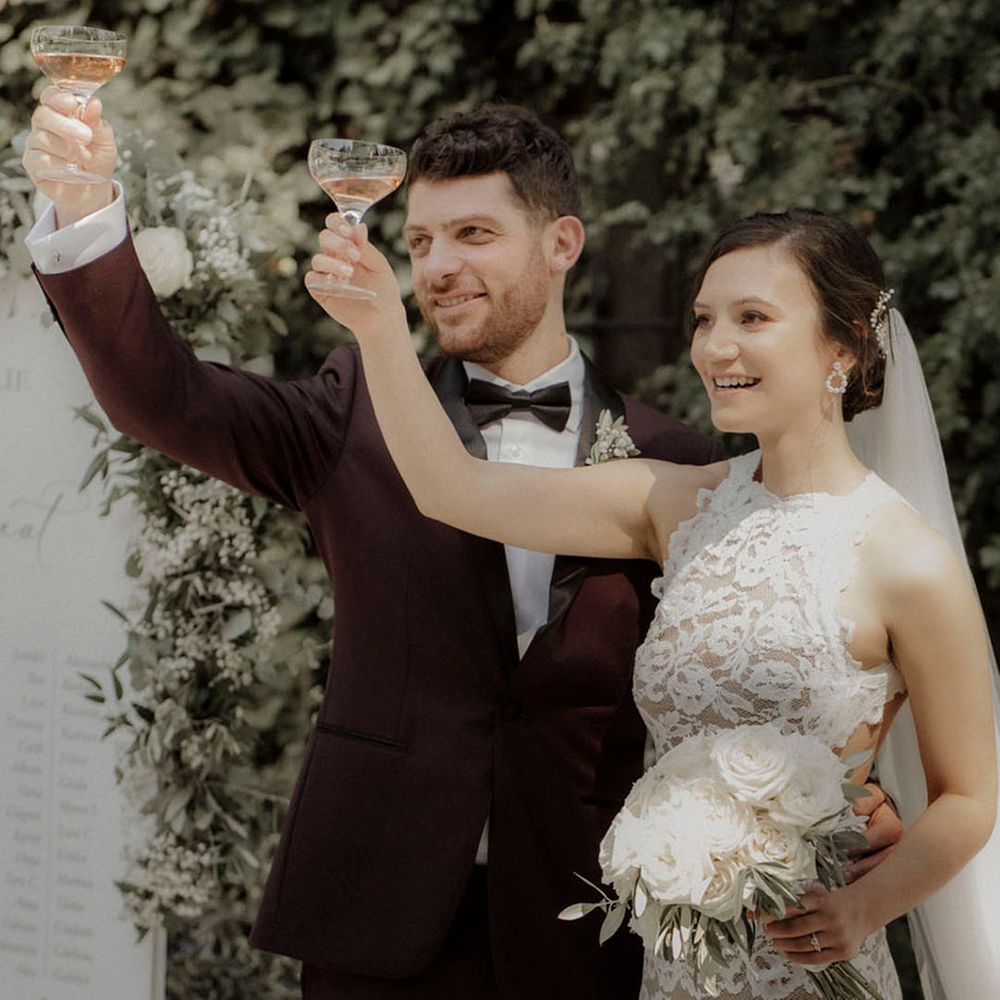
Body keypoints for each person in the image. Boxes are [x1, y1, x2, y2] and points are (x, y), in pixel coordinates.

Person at [22, 96, 901, 999]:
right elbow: (160, 396)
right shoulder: (348, 412)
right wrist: (85, 212)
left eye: (474, 233)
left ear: (562, 243)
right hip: (378, 906)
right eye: (422, 243)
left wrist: (828, 803)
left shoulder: (673, 461)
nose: (439, 267)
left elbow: (751, 665)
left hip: (594, 917)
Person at [304, 205, 1000, 999]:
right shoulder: (676, 506)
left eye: (753, 318)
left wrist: (866, 905)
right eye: (704, 319)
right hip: (672, 976)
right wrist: (382, 329)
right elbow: (450, 488)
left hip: (815, 966)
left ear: (841, 345)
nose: (715, 346)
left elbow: (969, 798)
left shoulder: (909, 560)